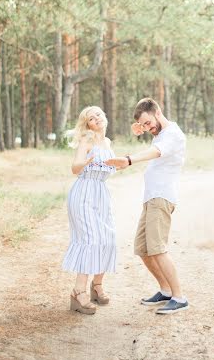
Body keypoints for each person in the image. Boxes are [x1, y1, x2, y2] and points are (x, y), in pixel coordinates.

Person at [106, 97, 188, 315]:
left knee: (158, 249)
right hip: (151, 198)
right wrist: (140, 129)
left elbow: (156, 152)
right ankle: (166, 290)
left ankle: (179, 297)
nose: (147, 128)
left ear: (158, 111)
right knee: (143, 249)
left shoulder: (173, 135)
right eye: (143, 125)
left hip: (162, 198)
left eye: (148, 122)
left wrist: (129, 159)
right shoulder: (160, 134)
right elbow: (152, 143)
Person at [62, 106, 121, 315]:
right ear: (88, 125)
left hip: (101, 194)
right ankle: (78, 293)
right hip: (84, 192)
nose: (96, 119)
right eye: (91, 118)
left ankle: (97, 286)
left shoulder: (107, 143)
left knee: (108, 238)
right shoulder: (86, 140)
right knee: (90, 239)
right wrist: (83, 162)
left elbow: (110, 166)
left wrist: (120, 163)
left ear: (104, 117)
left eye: (98, 115)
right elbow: (75, 167)